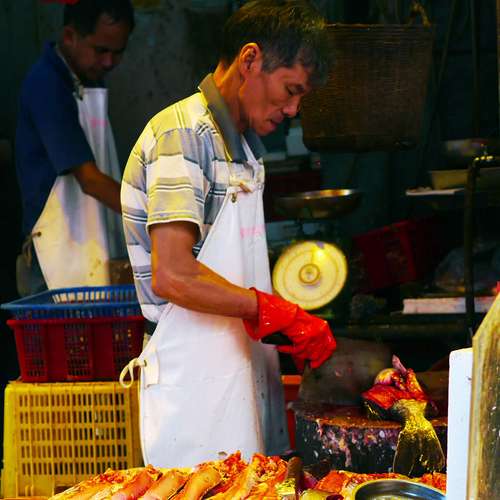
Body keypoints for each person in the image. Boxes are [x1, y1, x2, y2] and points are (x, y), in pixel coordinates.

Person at [121, 0, 335, 468]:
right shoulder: (183, 136)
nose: (294, 109)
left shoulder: (245, 149)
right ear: (250, 59)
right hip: (195, 389)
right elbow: (173, 275)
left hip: (238, 374)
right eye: (291, 91)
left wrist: (280, 320)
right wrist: (272, 311)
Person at [15, 0, 134, 296]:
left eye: (117, 52)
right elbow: (90, 180)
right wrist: (151, 213)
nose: (108, 62)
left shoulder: (86, 78)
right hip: (51, 256)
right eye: (101, 50)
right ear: (70, 36)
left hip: (90, 243)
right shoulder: (47, 83)